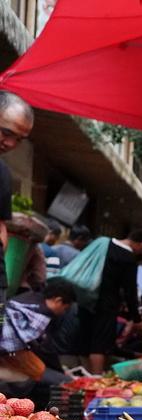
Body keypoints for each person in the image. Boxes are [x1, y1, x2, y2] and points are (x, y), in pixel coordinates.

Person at [78, 228, 142, 373]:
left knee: (86, 342)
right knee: (99, 345)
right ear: (141, 245)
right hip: (106, 305)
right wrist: (136, 318)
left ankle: (85, 378)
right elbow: (130, 291)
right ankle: (96, 381)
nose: (140, 253)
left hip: (86, 299)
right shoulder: (128, 258)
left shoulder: (103, 243)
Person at [0, 278, 75, 386]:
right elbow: (39, 351)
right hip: (8, 352)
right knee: (29, 379)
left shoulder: (28, 297)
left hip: (8, 351)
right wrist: (62, 376)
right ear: (58, 300)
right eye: (65, 308)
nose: (63, 312)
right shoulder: (39, 316)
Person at [0, 92, 34, 315]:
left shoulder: (2, 172)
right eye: (6, 133)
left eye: (19, 139)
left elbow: (1, 224)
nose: (10, 143)